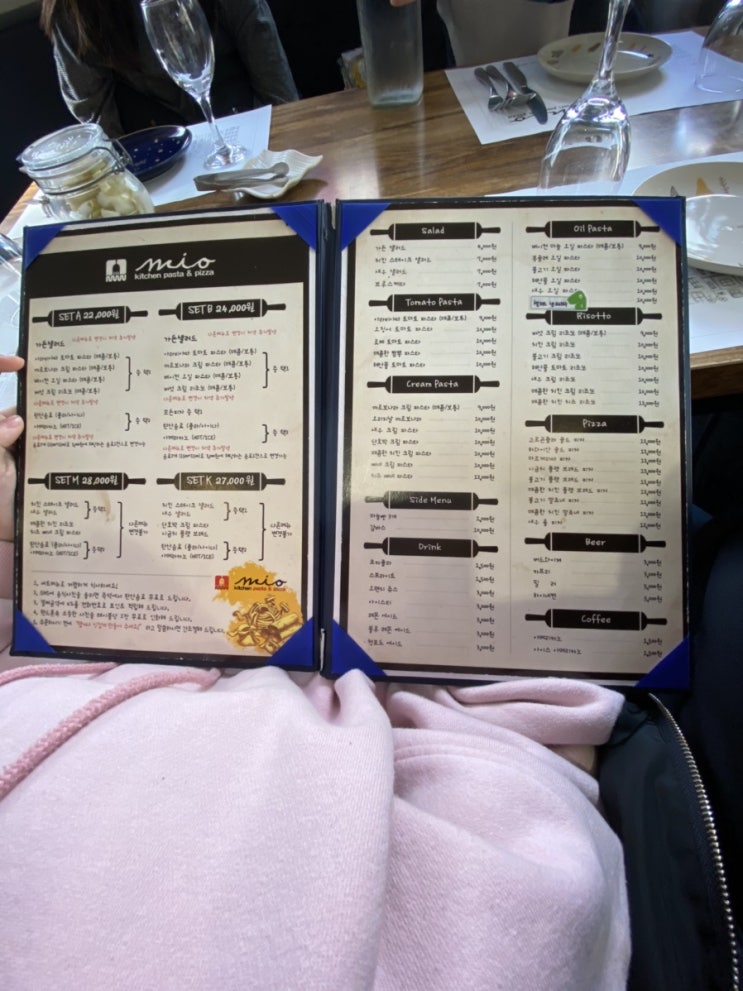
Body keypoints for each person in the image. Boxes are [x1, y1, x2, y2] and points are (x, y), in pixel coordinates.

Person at [39, 0, 299, 139]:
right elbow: (95, 118)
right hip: (159, 158)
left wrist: (275, 155)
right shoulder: (73, 10)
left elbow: (280, 97)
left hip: (251, 130)